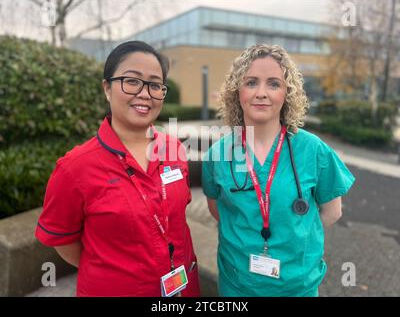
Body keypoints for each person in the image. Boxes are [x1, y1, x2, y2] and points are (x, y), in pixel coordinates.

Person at [35, 41, 200, 297]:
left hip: (183, 289)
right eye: (132, 81)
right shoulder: (75, 168)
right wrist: (113, 268)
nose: (145, 93)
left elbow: (177, 218)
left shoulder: (174, 149)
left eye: (155, 85)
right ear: (107, 88)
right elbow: (64, 241)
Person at [202, 44, 355, 297]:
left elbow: (332, 211)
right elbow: (218, 210)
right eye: (251, 82)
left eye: (273, 84)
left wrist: (294, 237)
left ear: (287, 93)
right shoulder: (218, 155)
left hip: (297, 288)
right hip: (237, 286)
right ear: (236, 91)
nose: (261, 93)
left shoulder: (312, 150)